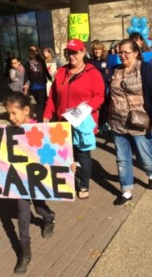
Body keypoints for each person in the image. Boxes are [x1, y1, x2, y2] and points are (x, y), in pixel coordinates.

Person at [43, 39, 105, 199]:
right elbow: (53, 97)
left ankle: (83, 184)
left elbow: (99, 96)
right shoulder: (62, 72)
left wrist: (85, 109)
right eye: (69, 53)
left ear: (83, 52)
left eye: (75, 52)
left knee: (82, 154)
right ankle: (66, 181)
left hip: (83, 122)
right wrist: (47, 114)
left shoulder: (93, 73)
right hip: (62, 122)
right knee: (64, 152)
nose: (72, 56)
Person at [3, 92, 56, 274]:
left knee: (40, 208)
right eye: (8, 114)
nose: (10, 117)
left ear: (26, 111)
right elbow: (0, 156)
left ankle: (49, 219)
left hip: (36, 180)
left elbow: (53, 153)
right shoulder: (7, 131)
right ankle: (25, 253)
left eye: (13, 113)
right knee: (23, 216)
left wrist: (68, 164)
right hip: (19, 183)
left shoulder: (40, 130)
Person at [108, 39, 152, 206]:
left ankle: (151, 173)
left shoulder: (144, 69)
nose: (122, 56)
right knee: (122, 158)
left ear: (136, 52)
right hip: (118, 122)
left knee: (144, 157)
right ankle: (126, 191)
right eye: (120, 52)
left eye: (126, 52)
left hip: (140, 122)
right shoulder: (115, 70)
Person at [24, 45, 52, 122]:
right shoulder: (27, 64)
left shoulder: (41, 61)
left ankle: (39, 119)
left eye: (34, 50)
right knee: (40, 103)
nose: (32, 52)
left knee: (41, 103)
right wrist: (25, 85)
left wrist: (51, 79)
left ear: (37, 52)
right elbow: (26, 75)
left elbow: (46, 71)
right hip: (33, 87)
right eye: (31, 50)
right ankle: (45, 116)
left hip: (42, 85)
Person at [90, 41, 109, 129]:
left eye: (99, 49)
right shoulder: (90, 62)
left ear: (102, 50)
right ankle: (93, 124)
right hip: (92, 87)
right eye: (95, 49)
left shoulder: (106, 60)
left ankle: (102, 123)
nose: (97, 51)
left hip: (104, 86)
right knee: (93, 106)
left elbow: (108, 73)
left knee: (104, 106)